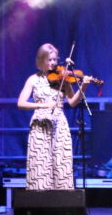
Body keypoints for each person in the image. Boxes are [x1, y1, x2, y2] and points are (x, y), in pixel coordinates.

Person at [17, 43, 91, 191]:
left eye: (55, 60)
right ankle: (39, 202)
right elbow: (20, 103)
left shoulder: (62, 78)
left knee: (61, 163)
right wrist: (43, 105)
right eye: (49, 60)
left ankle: (63, 205)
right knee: (40, 165)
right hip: (40, 125)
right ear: (41, 60)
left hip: (59, 124)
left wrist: (83, 87)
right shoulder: (33, 79)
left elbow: (72, 102)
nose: (52, 63)